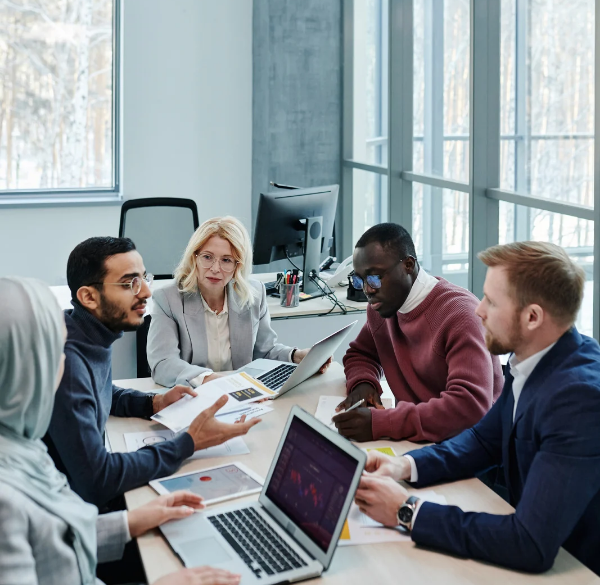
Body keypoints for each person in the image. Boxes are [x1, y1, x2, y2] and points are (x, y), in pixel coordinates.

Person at [354, 241, 600, 575]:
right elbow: (483, 441)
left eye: (492, 301)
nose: (479, 309)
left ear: (532, 317)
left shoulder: (578, 401)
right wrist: (403, 466)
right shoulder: (531, 358)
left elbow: (529, 545)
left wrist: (406, 510)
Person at [0, 275, 241, 585]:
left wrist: (130, 521)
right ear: (22, 366)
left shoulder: (23, 445)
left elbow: (55, 538)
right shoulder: (6, 498)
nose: (64, 363)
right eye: (56, 352)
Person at [45, 236, 260, 510]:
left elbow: (100, 390)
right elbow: (97, 478)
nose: (146, 291)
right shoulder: (69, 362)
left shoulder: (85, 331)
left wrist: (152, 403)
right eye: (129, 283)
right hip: (70, 515)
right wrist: (189, 443)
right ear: (88, 297)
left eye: (144, 277)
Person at [332, 223, 503, 442]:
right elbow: (361, 354)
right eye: (359, 280)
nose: (367, 290)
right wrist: (364, 384)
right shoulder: (383, 307)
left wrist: (383, 423)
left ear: (408, 265)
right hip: (420, 440)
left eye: (374, 278)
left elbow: (469, 407)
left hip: (470, 449)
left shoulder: (460, 315)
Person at [148, 216, 329, 388]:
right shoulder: (168, 299)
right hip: (192, 396)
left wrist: (297, 356)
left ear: (238, 266)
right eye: (207, 257)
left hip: (241, 397)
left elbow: (264, 351)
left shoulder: (254, 294)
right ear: (194, 257)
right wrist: (210, 379)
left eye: (226, 260)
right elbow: (163, 363)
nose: (215, 269)